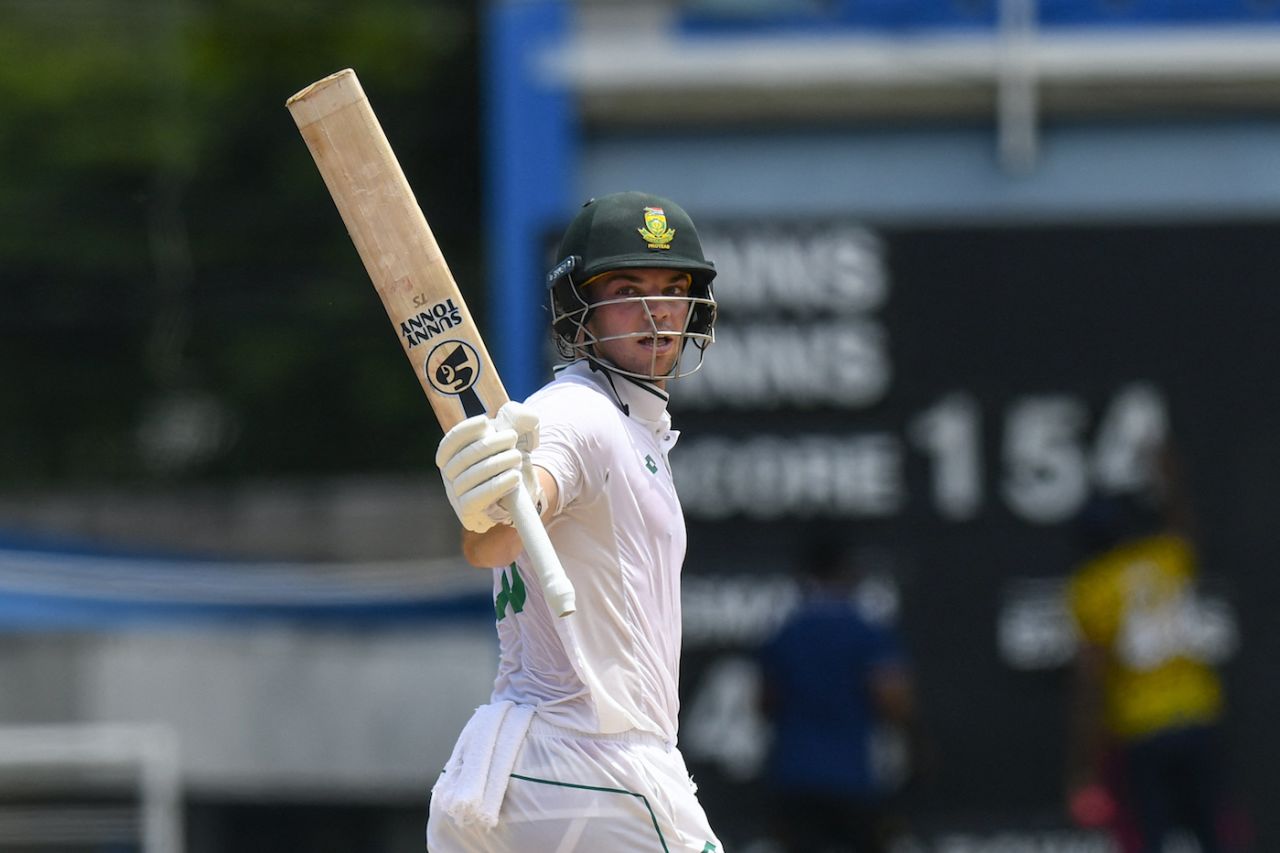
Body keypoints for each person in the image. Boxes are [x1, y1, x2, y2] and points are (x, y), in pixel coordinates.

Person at [426, 191, 723, 852]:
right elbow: (498, 535)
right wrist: (487, 508)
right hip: (590, 762)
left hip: (504, 770)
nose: (656, 311)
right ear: (578, 313)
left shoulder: (627, 426)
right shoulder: (578, 414)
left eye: (673, 289)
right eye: (627, 290)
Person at [1064, 465, 1231, 853]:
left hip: (1141, 725)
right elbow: (1185, 527)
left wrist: (1084, 763)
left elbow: (1091, 679)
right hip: (1196, 712)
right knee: (1213, 832)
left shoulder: (1091, 586)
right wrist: (1171, 476)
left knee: (1150, 835)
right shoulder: (1165, 557)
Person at [757, 537, 919, 853]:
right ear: (848, 572)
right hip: (853, 776)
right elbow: (894, 700)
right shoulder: (867, 632)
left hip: (795, 773)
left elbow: (765, 702)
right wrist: (915, 745)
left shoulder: (785, 634)